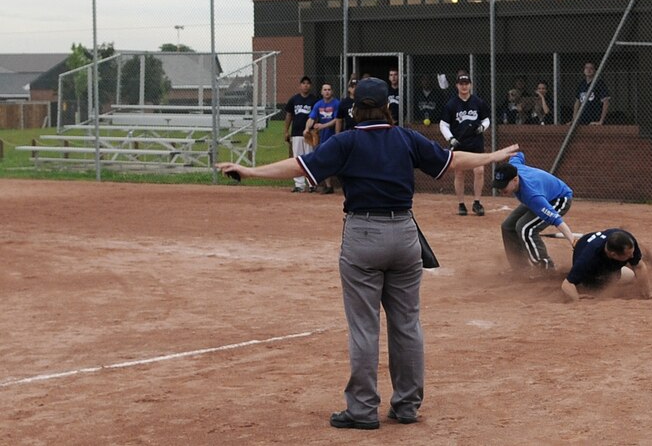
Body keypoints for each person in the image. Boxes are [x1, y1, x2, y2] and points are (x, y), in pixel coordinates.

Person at [216, 78, 519, 430]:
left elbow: (301, 166)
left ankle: (361, 410)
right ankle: (406, 405)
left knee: (364, 328)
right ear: (388, 107)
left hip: (363, 235)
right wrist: (494, 156)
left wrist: (250, 171)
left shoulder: (347, 141)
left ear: (355, 107)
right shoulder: (405, 138)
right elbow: (453, 160)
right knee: (407, 324)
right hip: (405, 236)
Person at [493, 152, 576, 272]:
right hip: (543, 194)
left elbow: (556, 220)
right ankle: (520, 268)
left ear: (515, 180)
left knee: (525, 228)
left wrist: (572, 241)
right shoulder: (513, 167)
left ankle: (546, 268)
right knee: (507, 226)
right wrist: (510, 151)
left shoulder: (532, 195)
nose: (501, 189)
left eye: (504, 185)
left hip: (559, 199)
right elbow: (518, 155)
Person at [440, 71, 492, 216]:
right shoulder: (451, 104)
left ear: (470, 85)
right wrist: (450, 139)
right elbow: (443, 125)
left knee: (479, 171)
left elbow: (487, 119)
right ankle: (461, 204)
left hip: (476, 143)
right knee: (459, 173)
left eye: (466, 84)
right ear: (457, 85)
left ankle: (477, 202)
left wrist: (482, 127)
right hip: (459, 144)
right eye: (461, 84)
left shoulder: (478, 102)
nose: (464, 86)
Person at [560, 229, 652, 302]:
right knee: (600, 287)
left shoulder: (628, 240)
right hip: (591, 267)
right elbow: (567, 284)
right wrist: (577, 299)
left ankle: (623, 267)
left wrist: (648, 292)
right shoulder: (588, 259)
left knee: (632, 273)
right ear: (613, 255)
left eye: (632, 252)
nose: (632, 256)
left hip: (603, 254)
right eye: (628, 254)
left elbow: (639, 266)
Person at [283, 76, 319, 193]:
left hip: (309, 133)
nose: (305, 85)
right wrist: (286, 131)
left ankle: (312, 183)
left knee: (310, 157)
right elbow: (289, 116)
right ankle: (299, 184)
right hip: (296, 133)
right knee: (297, 158)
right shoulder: (294, 100)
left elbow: (317, 117)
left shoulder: (314, 100)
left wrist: (314, 131)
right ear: (300, 85)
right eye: (303, 83)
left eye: (308, 83)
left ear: (311, 86)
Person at [304, 83, 341, 194]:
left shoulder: (337, 104)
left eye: (329, 89)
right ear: (321, 92)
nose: (327, 92)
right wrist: (306, 128)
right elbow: (312, 118)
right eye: (325, 90)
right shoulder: (318, 104)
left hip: (333, 135)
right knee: (324, 161)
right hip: (322, 137)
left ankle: (344, 185)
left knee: (336, 161)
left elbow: (337, 119)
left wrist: (322, 126)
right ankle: (328, 186)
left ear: (332, 91)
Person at [573, 61, 610, 125]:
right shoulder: (582, 84)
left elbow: (606, 102)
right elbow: (577, 102)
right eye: (586, 68)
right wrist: (574, 119)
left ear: (595, 71)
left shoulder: (599, 83)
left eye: (591, 68)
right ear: (584, 70)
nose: (588, 70)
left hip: (594, 120)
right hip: (582, 121)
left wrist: (601, 121)